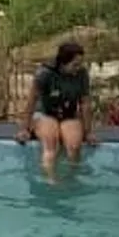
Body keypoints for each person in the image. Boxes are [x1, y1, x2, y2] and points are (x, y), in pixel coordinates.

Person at [16, 40, 95, 178]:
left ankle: (71, 180)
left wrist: (88, 132)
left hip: (68, 115)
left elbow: (85, 103)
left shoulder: (81, 74)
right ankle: (50, 179)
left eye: (80, 64)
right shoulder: (45, 73)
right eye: (75, 65)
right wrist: (24, 128)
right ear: (63, 63)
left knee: (74, 147)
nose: (78, 68)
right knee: (51, 144)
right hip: (46, 114)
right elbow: (32, 101)